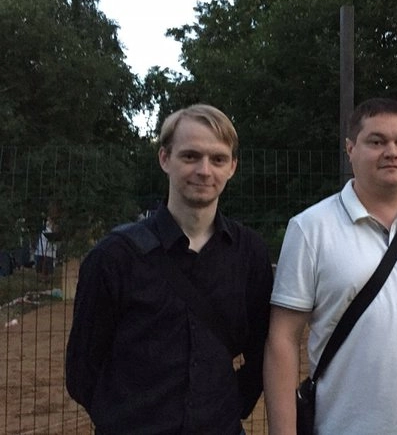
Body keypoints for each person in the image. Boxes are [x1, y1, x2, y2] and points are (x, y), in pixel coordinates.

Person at [263, 97, 397, 434]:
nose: (392, 151)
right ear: (350, 149)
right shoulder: (310, 227)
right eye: (376, 142)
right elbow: (282, 340)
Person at [66, 104, 274, 435]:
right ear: (164, 158)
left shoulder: (250, 254)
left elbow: (263, 348)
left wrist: (229, 406)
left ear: (232, 167)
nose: (204, 170)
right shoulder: (114, 257)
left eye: (218, 159)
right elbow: (82, 369)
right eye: (190, 156)